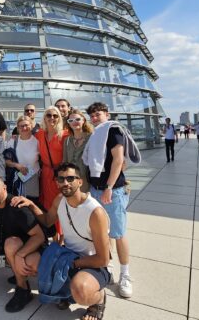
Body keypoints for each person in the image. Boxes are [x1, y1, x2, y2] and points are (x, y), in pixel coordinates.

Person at [12, 163, 112, 319]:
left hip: (92, 264)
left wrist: (73, 264)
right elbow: (46, 221)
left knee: (81, 290)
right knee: (30, 262)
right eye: (61, 179)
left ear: (80, 182)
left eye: (71, 178)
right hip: (68, 255)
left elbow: (103, 259)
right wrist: (31, 204)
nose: (65, 183)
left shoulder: (95, 212)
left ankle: (98, 299)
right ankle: (65, 294)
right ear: (57, 182)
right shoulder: (60, 200)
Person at [83, 102, 141, 299]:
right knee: (102, 232)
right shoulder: (96, 134)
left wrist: (109, 186)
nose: (95, 118)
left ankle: (125, 275)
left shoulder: (113, 130)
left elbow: (119, 160)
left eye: (98, 114)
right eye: (92, 115)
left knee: (118, 232)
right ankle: (108, 266)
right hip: (95, 189)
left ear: (106, 114)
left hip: (112, 190)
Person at [0, 175, 45, 313]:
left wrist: (20, 255)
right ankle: (16, 269)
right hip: (4, 244)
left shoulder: (17, 206)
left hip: (29, 248)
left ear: (4, 188)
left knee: (11, 244)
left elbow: (40, 237)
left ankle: (23, 289)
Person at [35, 106, 69, 222]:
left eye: (55, 116)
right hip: (46, 173)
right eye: (49, 115)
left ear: (59, 118)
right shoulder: (40, 134)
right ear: (44, 118)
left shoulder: (65, 135)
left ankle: (62, 233)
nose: (52, 118)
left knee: (60, 202)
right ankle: (53, 233)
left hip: (59, 174)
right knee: (47, 202)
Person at [4, 115, 40, 200]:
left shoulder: (37, 141)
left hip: (33, 179)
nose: (24, 128)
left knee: (32, 204)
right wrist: (17, 165)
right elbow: (6, 160)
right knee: (17, 205)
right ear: (17, 128)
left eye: (26, 125)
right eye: (21, 126)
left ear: (31, 126)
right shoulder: (13, 141)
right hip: (16, 179)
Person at [63, 109, 93, 192]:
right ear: (68, 123)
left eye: (78, 119)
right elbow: (65, 161)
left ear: (83, 120)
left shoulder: (91, 138)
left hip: (87, 180)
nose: (74, 122)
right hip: (71, 180)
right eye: (71, 120)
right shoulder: (67, 140)